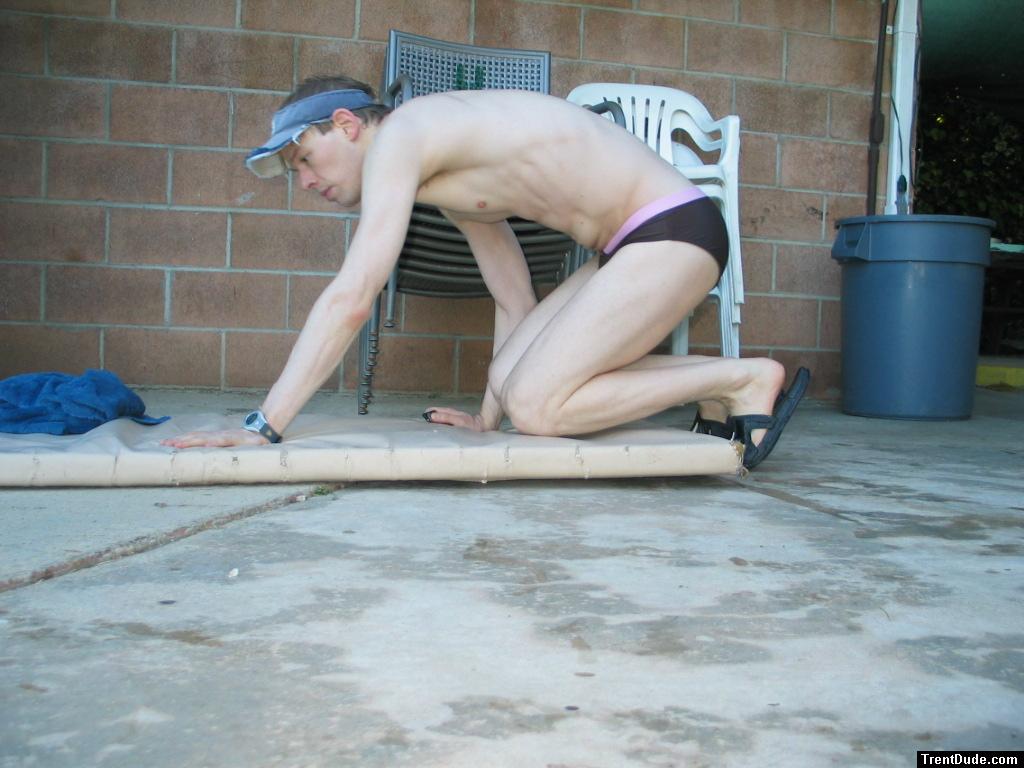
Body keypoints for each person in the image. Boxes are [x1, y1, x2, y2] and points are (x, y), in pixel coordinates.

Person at [161, 75, 809, 469]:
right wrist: (486, 419)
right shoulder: (442, 168)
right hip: (632, 243)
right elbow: (511, 290)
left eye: (305, 159)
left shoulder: (404, 137)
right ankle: (717, 390)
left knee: (539, 403)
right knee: (509, 384)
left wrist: (263, 426)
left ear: (346, 124)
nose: (306, 182)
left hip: (674, 229)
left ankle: (744, 379)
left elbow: (354, 296)